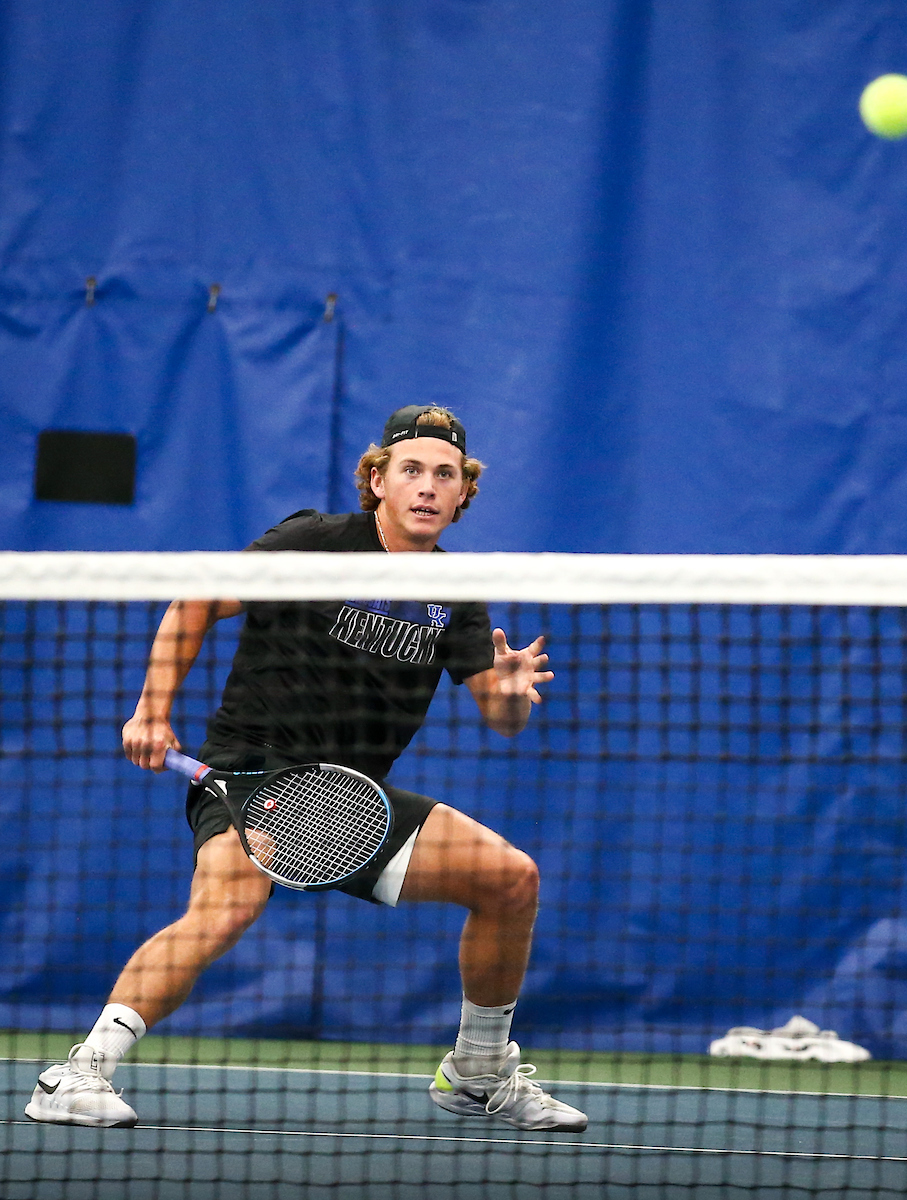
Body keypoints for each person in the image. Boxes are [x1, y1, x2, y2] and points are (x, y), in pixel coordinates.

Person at [26, 405, 588, 1134]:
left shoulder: (457, 594)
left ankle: (478, 1072)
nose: (427, 486)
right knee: (228, 905)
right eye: (410, 469)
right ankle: (77, 1073)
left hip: (349, 801)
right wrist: (150, 711)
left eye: (444, 475)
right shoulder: (315, 543)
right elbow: (194, 602)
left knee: (511, 881)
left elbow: (500, 716)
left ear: (462, 493)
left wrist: (512, 695)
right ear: (378, 480)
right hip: (253, 770)